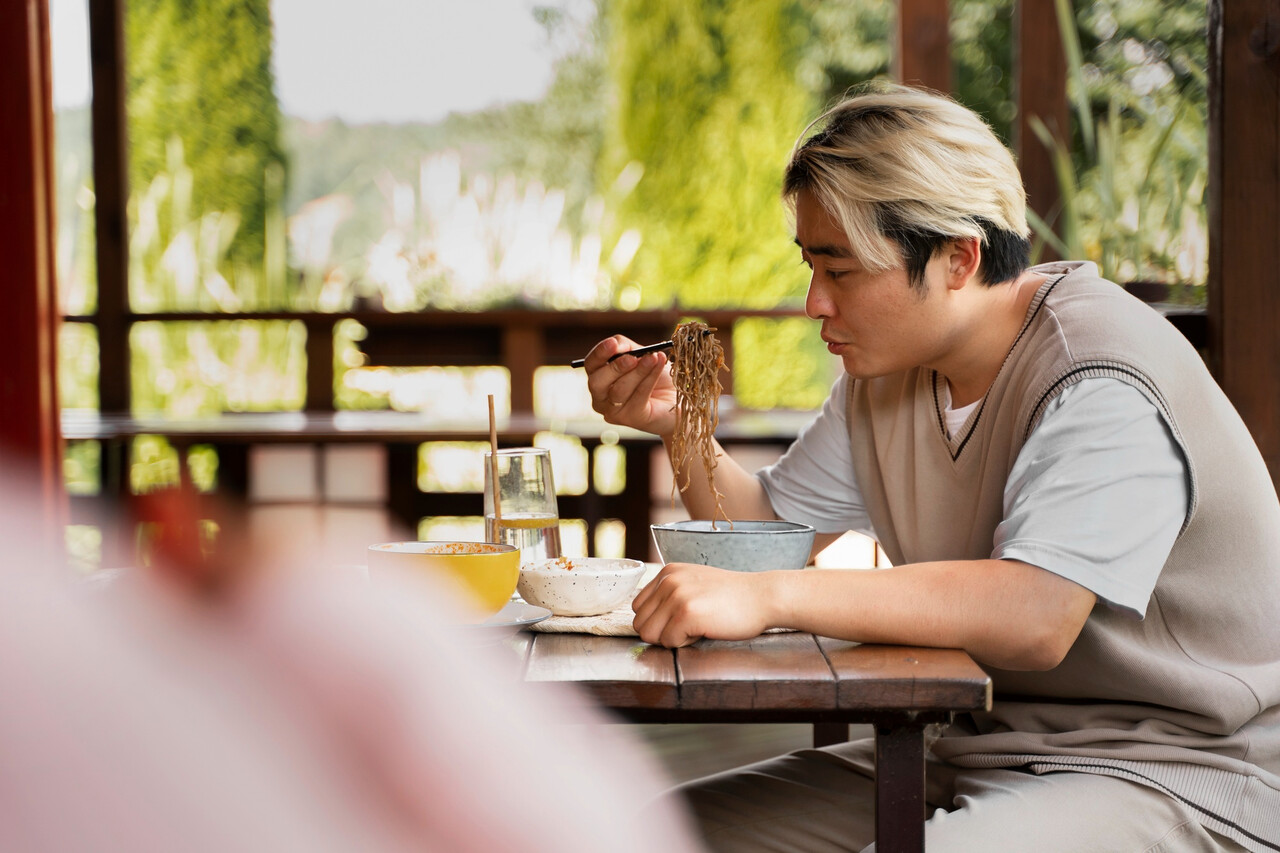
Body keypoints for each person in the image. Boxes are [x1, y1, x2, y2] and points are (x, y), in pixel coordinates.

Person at [581, 83, 1280, 852]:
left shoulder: (1100, 374)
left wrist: (771, 595)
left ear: (958, 257)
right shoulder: (889, 376)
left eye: (841, 271)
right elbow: (765, 533)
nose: (814, 302)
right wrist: (675, 422)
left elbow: (1036, 615)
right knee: (638, 832)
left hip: (1181, 773)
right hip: (973, 746)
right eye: (811, 265)